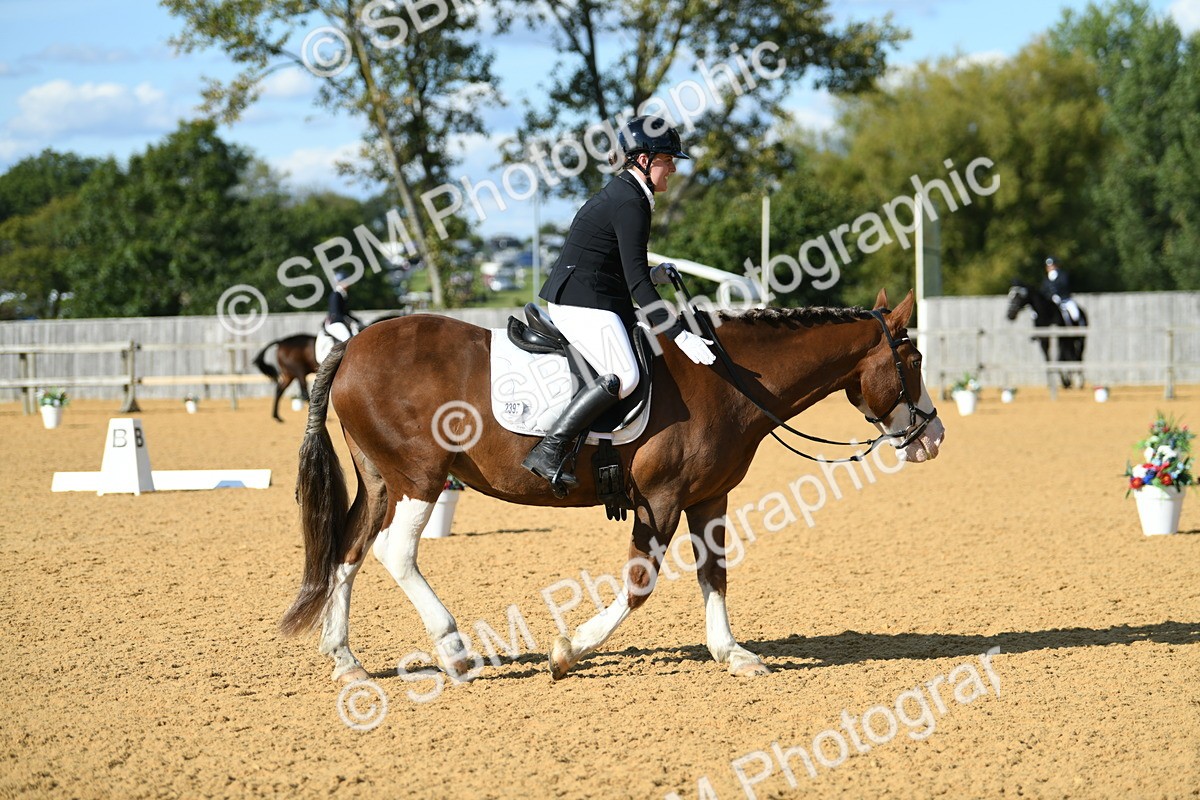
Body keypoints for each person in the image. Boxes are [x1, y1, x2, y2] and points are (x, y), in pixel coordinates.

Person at [522, 115, 716, 493]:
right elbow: (638, 287)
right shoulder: (630, 202)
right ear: (643, 159)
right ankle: (550, 449)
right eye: (667, 159)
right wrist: (679, 334)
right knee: (625, 377)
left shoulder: (629, 193)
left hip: (595, 294)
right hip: (581, 302)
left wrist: (655, 273)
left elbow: (624, 266)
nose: (673, 168)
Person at [1042, 256, 1083, 324]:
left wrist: (1059, 296)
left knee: (1075, 314)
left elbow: (1064, 286)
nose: (1050, 268)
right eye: (1048, 266)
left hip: (1065, 300)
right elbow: (1044, 291)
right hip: (1052, 302)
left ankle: (1080, 325)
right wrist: (1051, 296)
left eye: (1052, 266)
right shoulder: (1046, 280)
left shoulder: (1063, 275)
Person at [324, 271, 363, 343]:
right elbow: (336, 313)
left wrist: (358, 321)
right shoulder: (336, 295)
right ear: (339, 282)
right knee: (347, 338)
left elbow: (346, 313)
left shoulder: (343, 295)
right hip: (334, 323)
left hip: (340, 322)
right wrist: (349, 321)